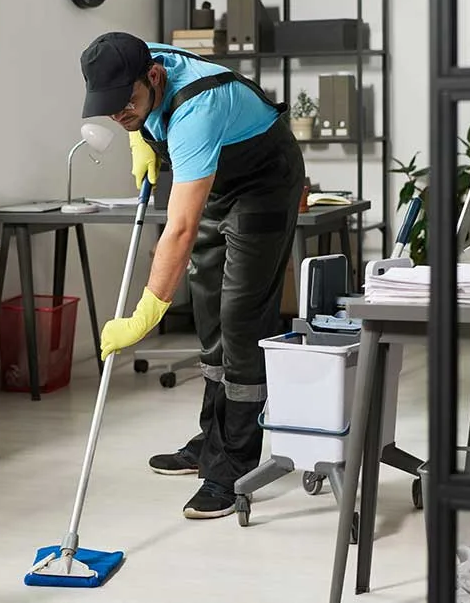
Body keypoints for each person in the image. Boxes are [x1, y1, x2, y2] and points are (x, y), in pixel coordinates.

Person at [78, 32, 305, 519]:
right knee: (208, 308)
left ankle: (234, 466)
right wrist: (138, 136)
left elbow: (179, 230)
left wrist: (145, 315)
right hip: (217, 178)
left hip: (264, 183)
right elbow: (135, 99)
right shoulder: (137, 60)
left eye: (127, 104)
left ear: (154, 77)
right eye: (110, 108)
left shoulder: (197, 110)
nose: (120, 114)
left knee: (240, 317)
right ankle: (211, 441)